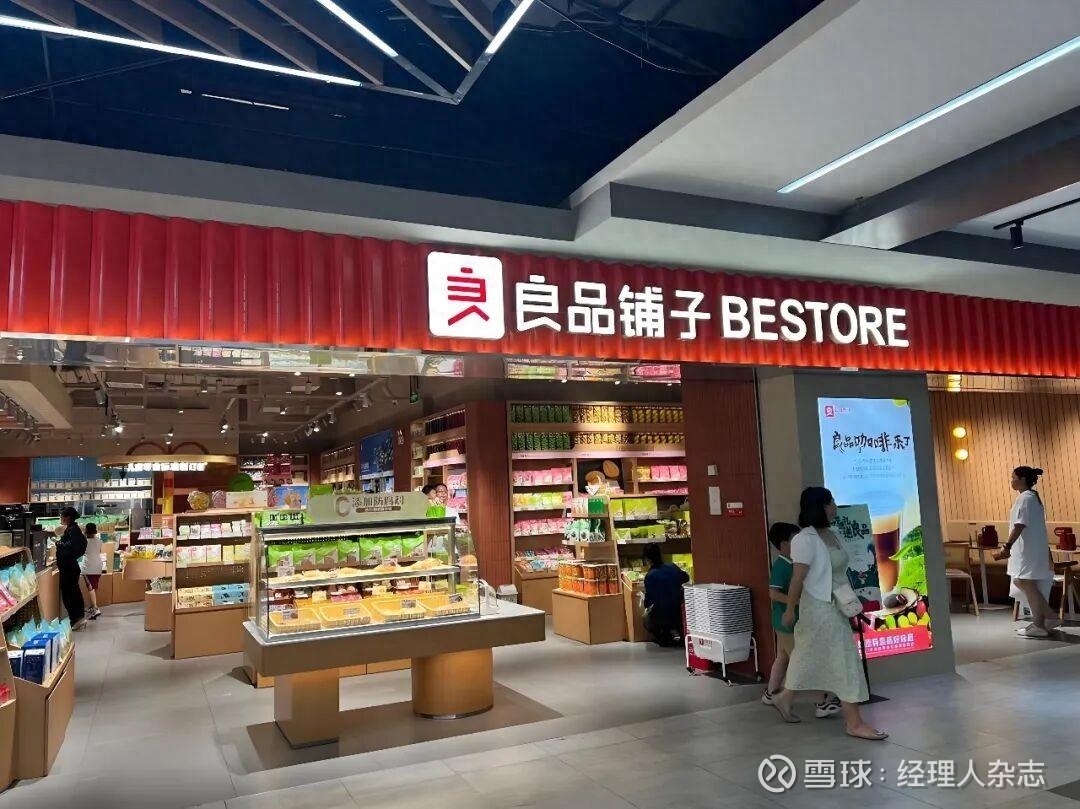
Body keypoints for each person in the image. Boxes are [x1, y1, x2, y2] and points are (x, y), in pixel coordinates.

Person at [771, 488, 887, 741]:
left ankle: (785, 697)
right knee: (844, 659)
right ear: (820, 507)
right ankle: (854, 722)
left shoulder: (831, 534)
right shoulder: (805, 539)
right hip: (819, 608)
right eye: (830, 501)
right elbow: (797, 578)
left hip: (838, 604)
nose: (835, 505)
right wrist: (789, 609)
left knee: (809, 655)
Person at [761, 522, 842, 718]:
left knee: (783, 657)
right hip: (787, 624)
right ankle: (821, 702)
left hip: (789, 623)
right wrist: (796, 602)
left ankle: (771, 693)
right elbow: (773, 593)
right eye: (796, 541)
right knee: (806, 661)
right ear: (783, 545)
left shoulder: (796, 563)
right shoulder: (782, 566)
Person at [994, 466, 1056, 638]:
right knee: (1021, 581)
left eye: (1013, 477)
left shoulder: (1026, 498)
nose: (1011, 481)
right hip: (1032, 549)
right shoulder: (1030, 497)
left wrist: (1007, 546)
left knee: (1023, 581)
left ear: (1022, 479)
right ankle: (1048, 618)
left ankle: (1041, 623)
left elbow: (1020, 524)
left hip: (1029, 550)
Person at [641, 543, 689, 647]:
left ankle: (664, 636)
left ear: (647, 559)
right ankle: (679, 633)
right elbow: (686, 577)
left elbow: (648, 602)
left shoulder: (650, 576)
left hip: (661, 616)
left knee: (646, 618)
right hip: (679, 614)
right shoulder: (672, 567)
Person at [56, 506, 88, 630]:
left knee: (70, 594)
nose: (61, 518)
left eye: (62, 516)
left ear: (68, 517)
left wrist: (59, 544)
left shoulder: (72, 530)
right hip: (71, 566)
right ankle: (78, 618)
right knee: (74, 592)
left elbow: (70, 546)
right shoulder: (73, 529)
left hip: (68, 567)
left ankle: (76, 619)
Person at [82, 522, 103, 620]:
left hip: (88, 567)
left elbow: (81, 553)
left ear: (86, 531)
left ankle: (95, 608)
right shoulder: (100, 541)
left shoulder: (84, 542)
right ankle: (92, 606)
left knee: (90, 587)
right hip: (98, 566)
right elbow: (98, 552)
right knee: (94, 587)